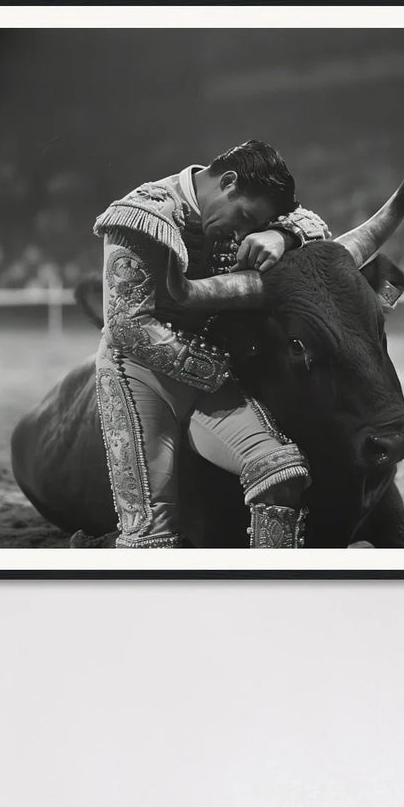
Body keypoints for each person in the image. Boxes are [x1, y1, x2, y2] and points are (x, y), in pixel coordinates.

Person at [80, 140, 328, 549]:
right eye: (246, 217)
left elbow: (315, 225)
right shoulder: (144, 211)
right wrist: (220, 370)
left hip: (206, 375)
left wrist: (282, 235)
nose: (245, 233)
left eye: (255, 226)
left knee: (282, 473)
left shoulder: (248, 213)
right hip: (136, 375)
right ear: (228, 182)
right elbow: (127, 325)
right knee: (150, 535)